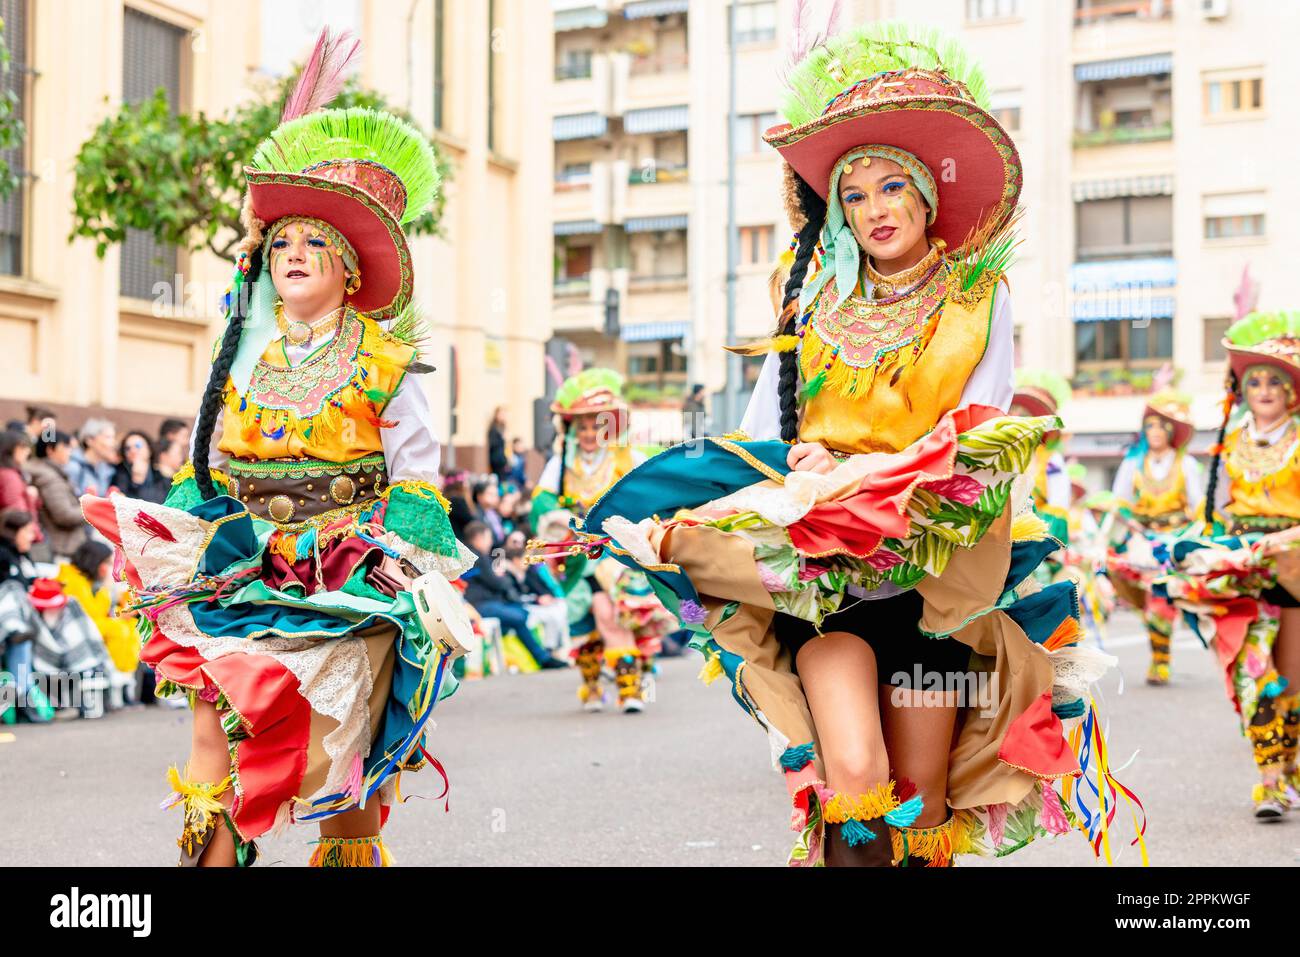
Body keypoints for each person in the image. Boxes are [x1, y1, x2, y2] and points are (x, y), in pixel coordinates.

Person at [555, 23, 1138, 865]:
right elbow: (760, 438)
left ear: (927, 197)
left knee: (922, 802)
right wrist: (786, 469)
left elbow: (981, 431)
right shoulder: (809, 301)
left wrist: (871, 469)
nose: (874, 210)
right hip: (832, 590)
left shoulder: (979, 299)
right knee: (856, 785)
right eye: (854, 194)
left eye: (892, 185)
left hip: (937, 591)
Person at [80, 29, 473, 868]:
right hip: (250, 562)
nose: (293, 256)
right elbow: (216, 469)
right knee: (213, 719)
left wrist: (395, 555)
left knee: (346, 779)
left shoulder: (385, 360)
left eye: (313, 245)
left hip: (349, 574)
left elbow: (417, 473)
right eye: (282, 244)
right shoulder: (248, 358)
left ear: (351, 271)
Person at [1162, 310, 1300, 819]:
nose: (1263, 388)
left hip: (1293, 567)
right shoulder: (1230, 442)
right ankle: (1270, 780)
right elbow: (1215, 515)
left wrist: (1280, 540)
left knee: (1290, 679)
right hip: (1242, 570)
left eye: (1275, 380)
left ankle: (1285, 766)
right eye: (1255, 379)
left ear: (1292, 391)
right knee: (1255, 673)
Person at [530, 368, 661, 713]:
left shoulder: (627, 457)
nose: (589, 433)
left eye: (596, 425)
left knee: (611, 614)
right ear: (571, 429)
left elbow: (650, 495)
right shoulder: (561, 464)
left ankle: (629, 689)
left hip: (615, 552)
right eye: (582, 426)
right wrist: (556, 517)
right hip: (576, 555)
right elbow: (541, 502)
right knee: (583, 617)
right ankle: (591, 685)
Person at [1107, 391, 1203, 684]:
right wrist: (1133, 525)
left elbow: (1198, 506)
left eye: (1162, 426)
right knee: (1149, 602)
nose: (1156, 432)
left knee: (1162, 600)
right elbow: (1118, 503)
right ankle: (1159, 654)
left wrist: (1190, 535)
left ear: (1171, 432)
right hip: (1142, 540)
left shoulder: (1184, 464)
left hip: (1174, 540)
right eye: (1150, 426)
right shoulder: (1133, 463)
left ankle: (1162, 660)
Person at [461, 521, 566, 669]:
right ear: (479, 537)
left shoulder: (469, 555)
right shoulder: (477, 556)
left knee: (519, 616)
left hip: (481, 604)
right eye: (489, 537)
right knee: (520, 616)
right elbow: (498, 584)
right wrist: (500, 576)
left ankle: (543, 657)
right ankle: (543, 658)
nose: (491, 542)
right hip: (480, 606)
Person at [0, 510, 53, 723]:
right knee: (20, 637)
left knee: (24, 636)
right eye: (28, 532)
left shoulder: (23, 555)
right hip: (6, 617)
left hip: (23, 619)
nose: (33, 537)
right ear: (14, 532)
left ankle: (22, 699)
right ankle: (22, 700)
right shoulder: (2, 554)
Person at [1011, 369, 1073, 544]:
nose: (1015, 418)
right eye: (1012, 411)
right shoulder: (995, 452)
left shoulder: (1051, 460)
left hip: (1035, 541)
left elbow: (1059, 504)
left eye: (1023, 414)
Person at [24, 432, 88, 562]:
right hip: (60, 548)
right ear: (50, 450)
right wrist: (91, 510)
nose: (69, 452)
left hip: (57, 546)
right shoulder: (49, 478)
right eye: (65, 447)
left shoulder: (47, 472)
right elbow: (64, 515)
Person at [112, 430, 168, 504]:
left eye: (138, 445)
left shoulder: (160, 476)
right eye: (127, 448)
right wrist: (136, 482)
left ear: (149, 449)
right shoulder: (119, 474)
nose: (133, 450)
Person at [68, 418, 118, 497]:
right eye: (108, 437)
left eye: (113, 438)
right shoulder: (73, 467)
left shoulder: (106, 470)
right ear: (90, 440)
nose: (113, 443)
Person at [0, 430, 34, 514]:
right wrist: (30, 497)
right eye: (22, 447)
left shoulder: (8, 473)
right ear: (9, 449)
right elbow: (19, 516)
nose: (28, 451)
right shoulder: (9, 477)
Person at [487, 406, 510, 485]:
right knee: (499, 481)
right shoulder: (493, 429)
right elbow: (493, 445)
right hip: (497, 460)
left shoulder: (502, 428)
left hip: (501, 459)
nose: (503, 416)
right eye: (501, 414)